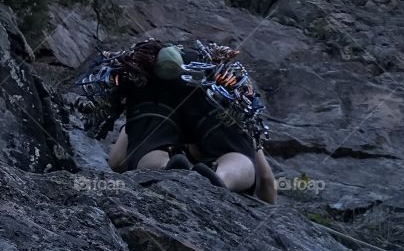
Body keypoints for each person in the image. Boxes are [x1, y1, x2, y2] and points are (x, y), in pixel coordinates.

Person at [74, 37, 276, 202]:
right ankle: (221, 178)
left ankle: (165, 168)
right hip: (213, 86)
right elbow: (265, 178)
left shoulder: (145, 93)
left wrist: (136, 144)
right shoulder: (230, 112)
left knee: (148, 146)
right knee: (236, 151)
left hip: (149, 86)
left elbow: (117, 161)